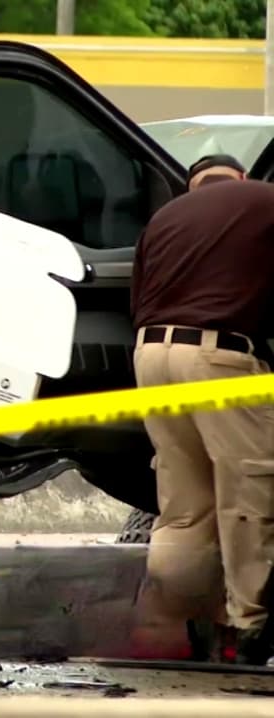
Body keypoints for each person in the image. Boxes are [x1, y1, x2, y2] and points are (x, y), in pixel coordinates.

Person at [129, 153, 274, 666]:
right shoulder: (263, 200)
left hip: (151, 357)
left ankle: (178, 622)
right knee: (248, 488)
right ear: (242, 180)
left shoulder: (164, 219)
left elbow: (139, 299)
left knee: (185, 506)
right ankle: (252, 626)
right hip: (217, 358)